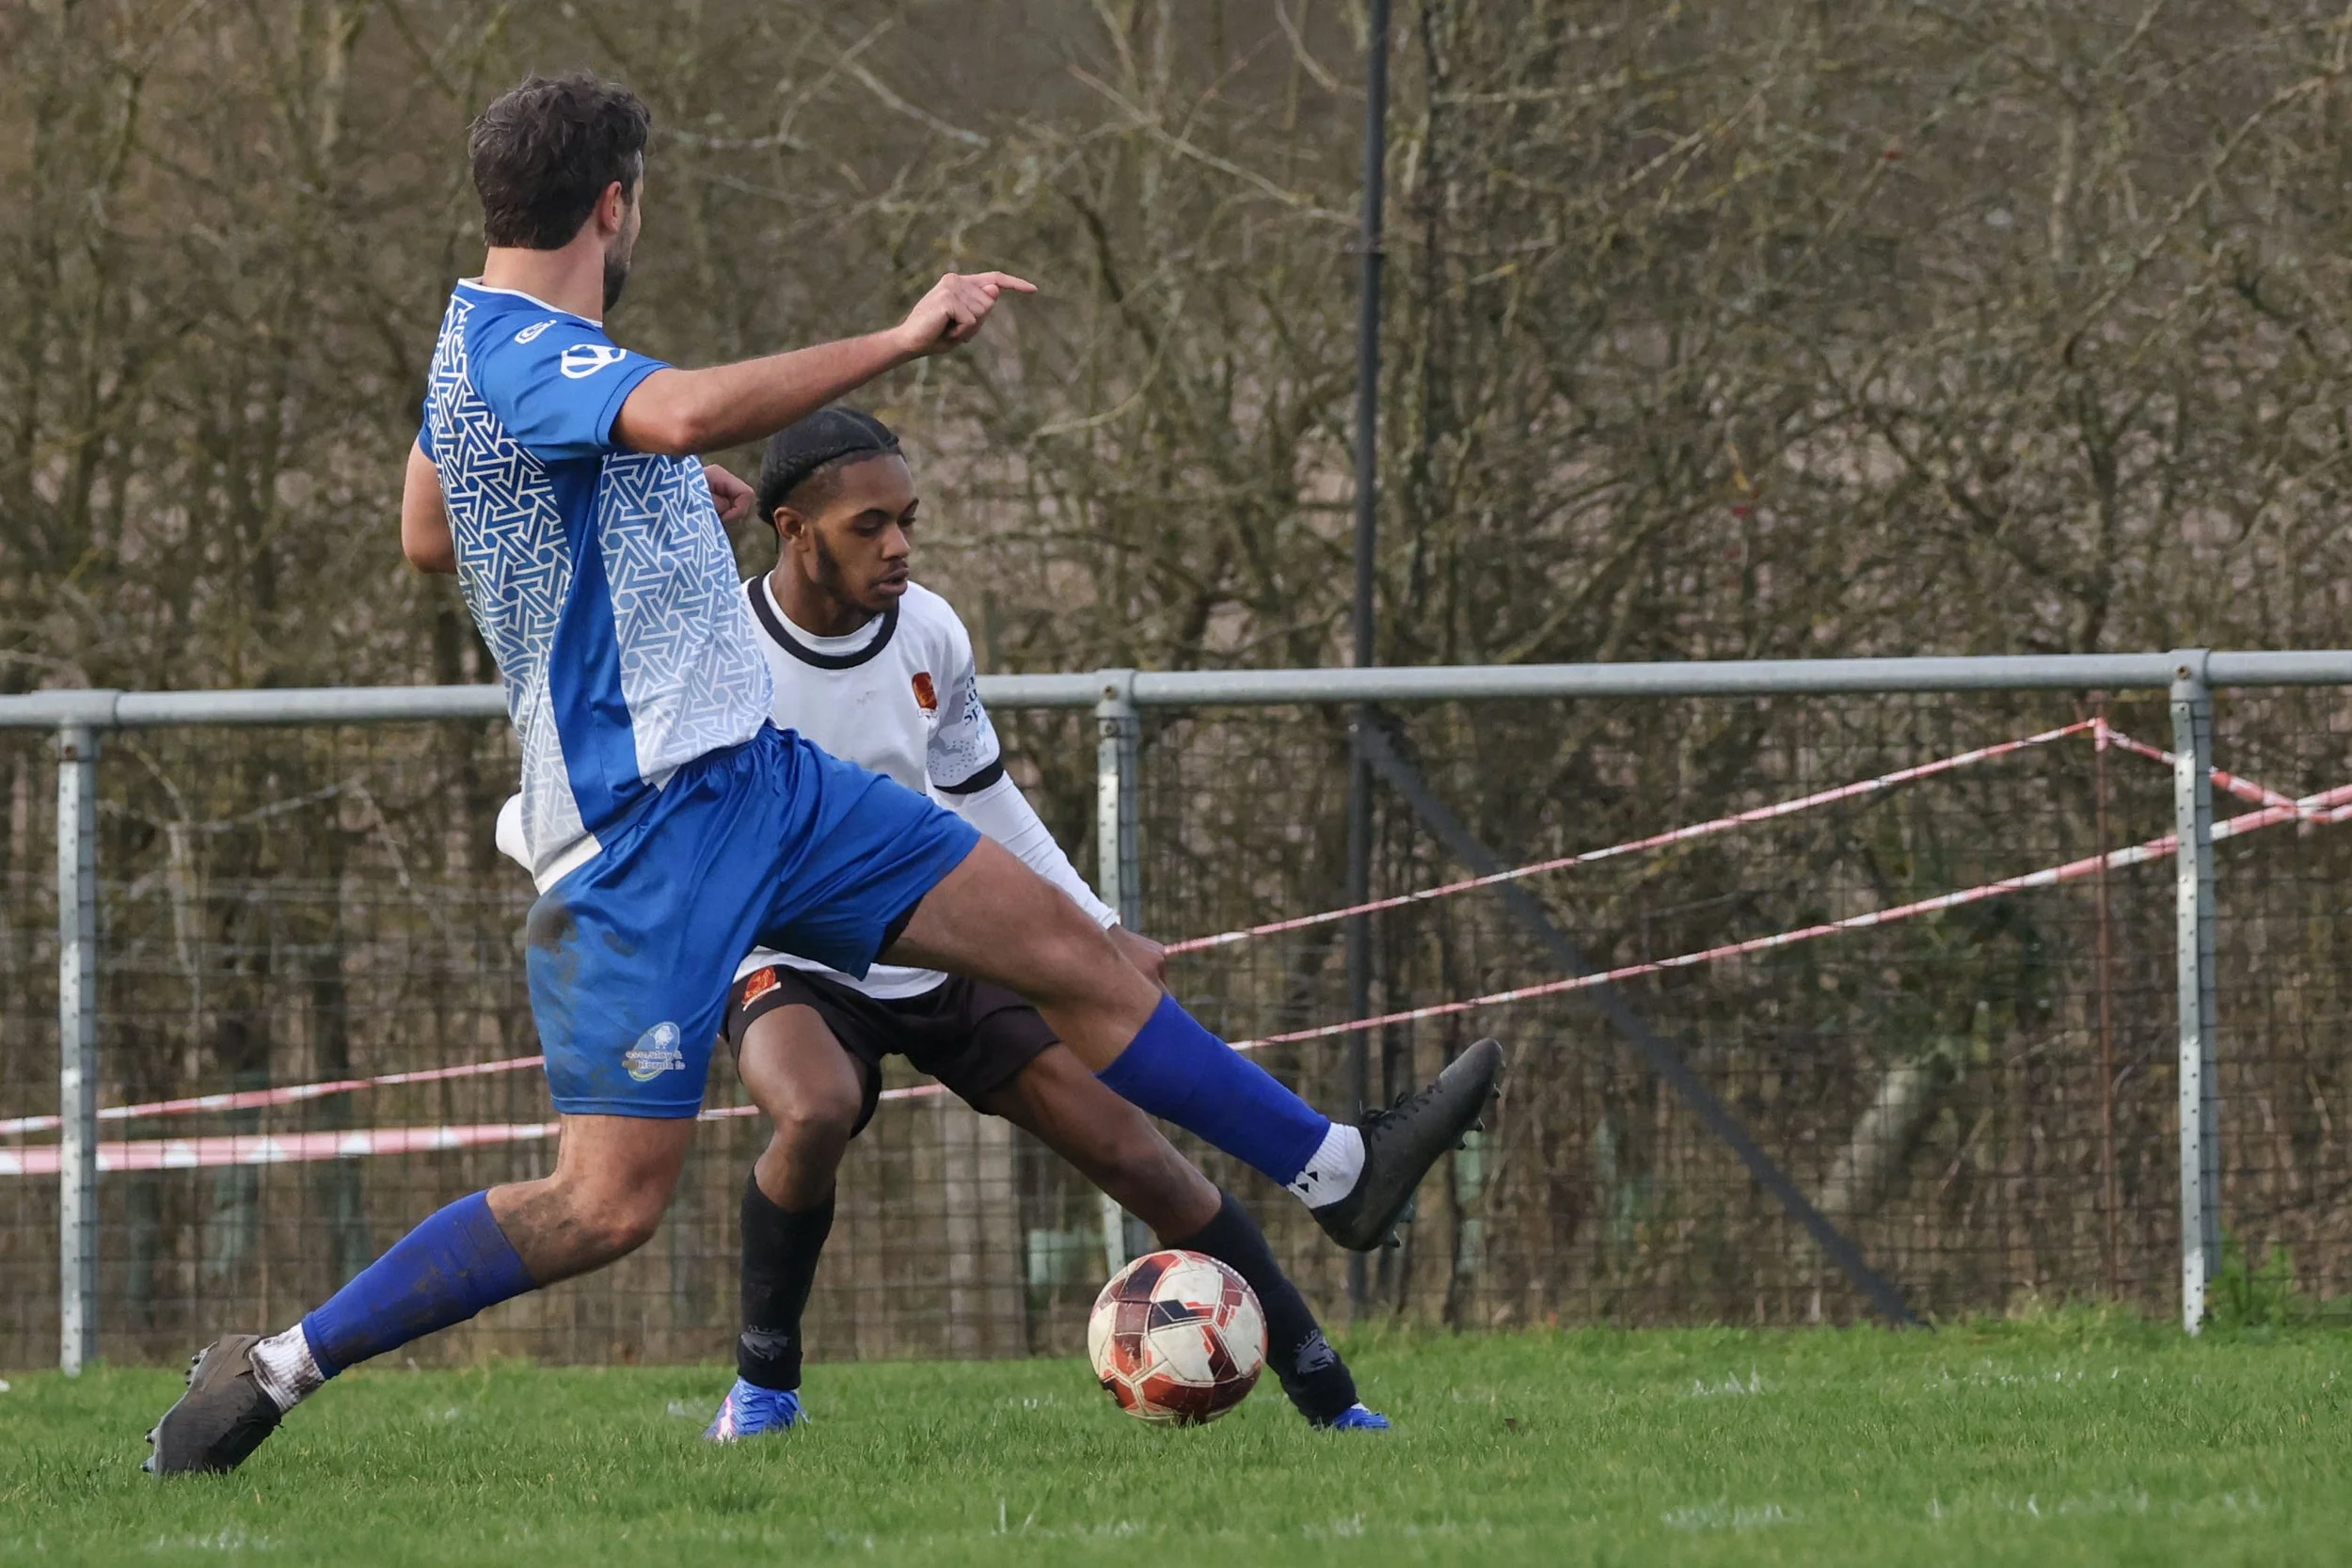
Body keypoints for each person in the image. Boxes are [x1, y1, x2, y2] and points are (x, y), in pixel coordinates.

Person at [145, 71, 1499, 1476]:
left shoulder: (484, 345)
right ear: (613, 203)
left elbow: (433, 530)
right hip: (642, 834)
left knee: (1070, 951)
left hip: (764, 782)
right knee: (604, 1204)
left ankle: (1340, 1168)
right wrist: (899, 339)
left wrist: (650, 494)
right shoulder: (522, 349)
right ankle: (276, 1365)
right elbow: (673, 415)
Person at [561, 407, 1391, 1434]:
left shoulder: (931, 631)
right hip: (793, 956)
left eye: (907, 520)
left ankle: (1332, 1398)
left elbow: (982, 792)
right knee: (813, 1108)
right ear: (793, 529)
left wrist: (1096, 929)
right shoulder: (720, 654)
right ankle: (765, 1385)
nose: (899, 546)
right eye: (869, 525)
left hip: (943, 946)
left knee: (1135, 1153)